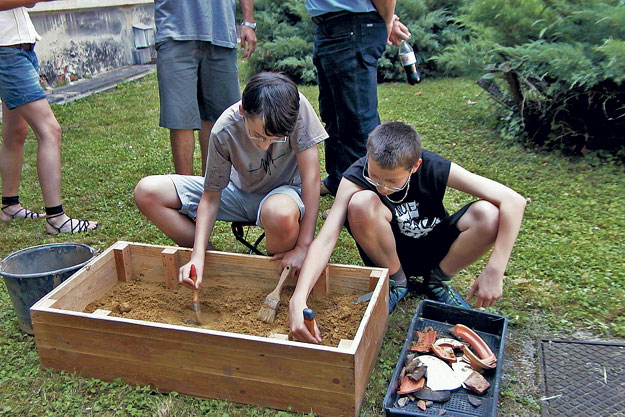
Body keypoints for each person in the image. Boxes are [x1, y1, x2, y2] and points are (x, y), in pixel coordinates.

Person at [289, 122, 526, 344]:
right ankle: (397, 283)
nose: (381, 187)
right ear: (368, 157)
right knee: (360, 202)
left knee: (489, 214)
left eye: (392, 182)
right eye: (374, 176)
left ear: (415, 166)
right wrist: (299, 298)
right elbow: (326, 239)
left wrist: (495, 269)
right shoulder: (355, 176)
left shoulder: (433, 165)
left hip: (434, 248)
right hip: (387, 254)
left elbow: (514, 201)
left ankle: (437, 281)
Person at [134, 72, 328, 287]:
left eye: (275, 140)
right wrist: (197, 255)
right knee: (147, 191)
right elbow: (211, 196)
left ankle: (277, 276)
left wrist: (303, 247)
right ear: (243, 111)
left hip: (284, 195)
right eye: (258, 135)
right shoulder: (224, 128)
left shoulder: (297, 108)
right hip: (237, 193)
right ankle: (213, 260)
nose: (264, 145)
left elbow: (311, 179)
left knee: (278, 212)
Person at [0, 1, 98, 234]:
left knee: (16, 131)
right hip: (7, 53)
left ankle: (9, 206)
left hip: (19, 49)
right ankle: (56, 218)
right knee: (49, 130)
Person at [306, 0, 411, 196]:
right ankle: (339, 180)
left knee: (358, 121)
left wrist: (387, 22)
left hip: (352, 26)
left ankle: (365, 194)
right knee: (333, 114)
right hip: (329, 26)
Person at [154, 0, 257, 175]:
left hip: (221, 31)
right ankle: (185, 192)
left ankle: (212, 190)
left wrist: (248, 22)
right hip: (176, 30)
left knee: (220, 117)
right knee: (180, 118)